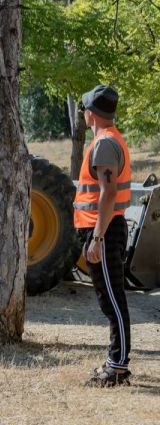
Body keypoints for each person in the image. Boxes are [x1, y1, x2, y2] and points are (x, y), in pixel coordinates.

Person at [73, 85, 133, 387]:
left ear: (90, 113)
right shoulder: (105, 140)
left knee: (113, 299)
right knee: (109, 297)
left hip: (105, 231)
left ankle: (118, 366)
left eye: (84, 108)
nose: (83, 112)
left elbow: (108, 192)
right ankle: (116, 362)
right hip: (103, 229)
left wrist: (97, 238)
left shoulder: (105, 144)